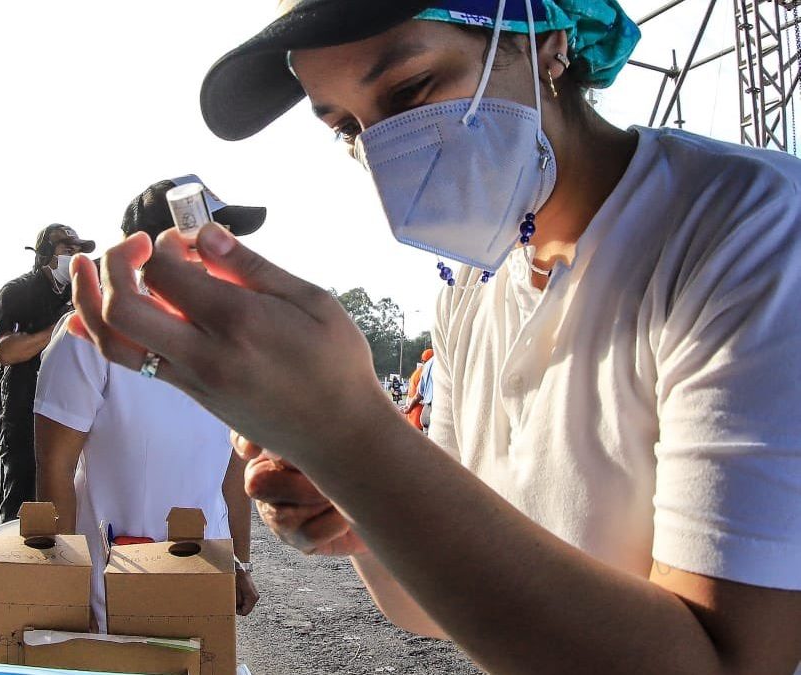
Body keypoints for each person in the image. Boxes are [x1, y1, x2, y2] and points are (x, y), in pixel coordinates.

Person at [67, 0, 801, 672]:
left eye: (411, 89)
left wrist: (348, 434)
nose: (387, 149)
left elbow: (732, 662)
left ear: (545, 40)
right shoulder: (473, 286)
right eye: (347, 127)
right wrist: (352, 495)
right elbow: (432, 610)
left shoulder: (753, 231)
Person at [35, 176, 265, 632]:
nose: (225, 255)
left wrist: (239, 561)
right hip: (112, 580)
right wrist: (66, 586)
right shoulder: (89, 334)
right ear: (147, 250)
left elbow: (233, 471)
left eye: (226, 241)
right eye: (207, 239)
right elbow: (55, 468)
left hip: (203, 569)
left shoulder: (232, 342)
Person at [0, 224, 95, 522]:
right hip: (24, 417)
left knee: (65, 506)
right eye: (68, 250)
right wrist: (61, 327)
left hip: (71, 414)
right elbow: (5, 351)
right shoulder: (17, 292)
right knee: (22, 508)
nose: (75, 258)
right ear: (45, 253)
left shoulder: (82, 293)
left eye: (79, 252)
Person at [402, 349, 433, 429]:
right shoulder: (426, 372)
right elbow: (419, 396)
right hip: (418, 413)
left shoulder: (417, 372)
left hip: (412, 413)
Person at [417, 353, 435, 432]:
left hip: (426, 410)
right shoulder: (444, 361)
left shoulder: (427, 365)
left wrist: (409, 406)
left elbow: (420, 392)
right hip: (437, 411)